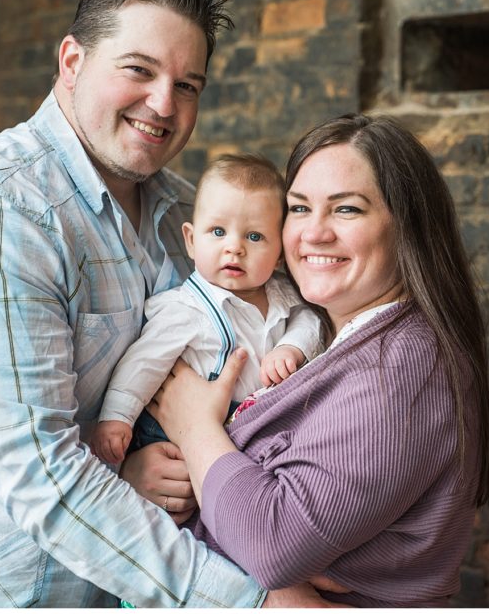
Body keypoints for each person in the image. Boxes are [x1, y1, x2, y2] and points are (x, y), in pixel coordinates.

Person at [0, 0, 323, 607]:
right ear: (73, 61)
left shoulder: (188, 220)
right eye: (138, 70)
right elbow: (41, 477)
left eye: (186, 85)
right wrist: (257, 600)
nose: (164, 104)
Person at [139, 113, 489, 607]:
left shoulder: (399, 370)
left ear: (408, 226)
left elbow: (271, 544)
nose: (314, 233)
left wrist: (192, 426)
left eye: (347, 210)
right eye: (298, 208)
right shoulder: (317, 332)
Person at [92, 154, 322, 469]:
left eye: (254, 237)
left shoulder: (283, 293)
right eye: (217, 231)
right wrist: (118, 416)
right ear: (190, 240)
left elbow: (311, 322)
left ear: (280, 255)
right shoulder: (185, 308)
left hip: (255, 425)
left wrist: (291, 347)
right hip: (176, 432)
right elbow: (145, 362)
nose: (234, 247)